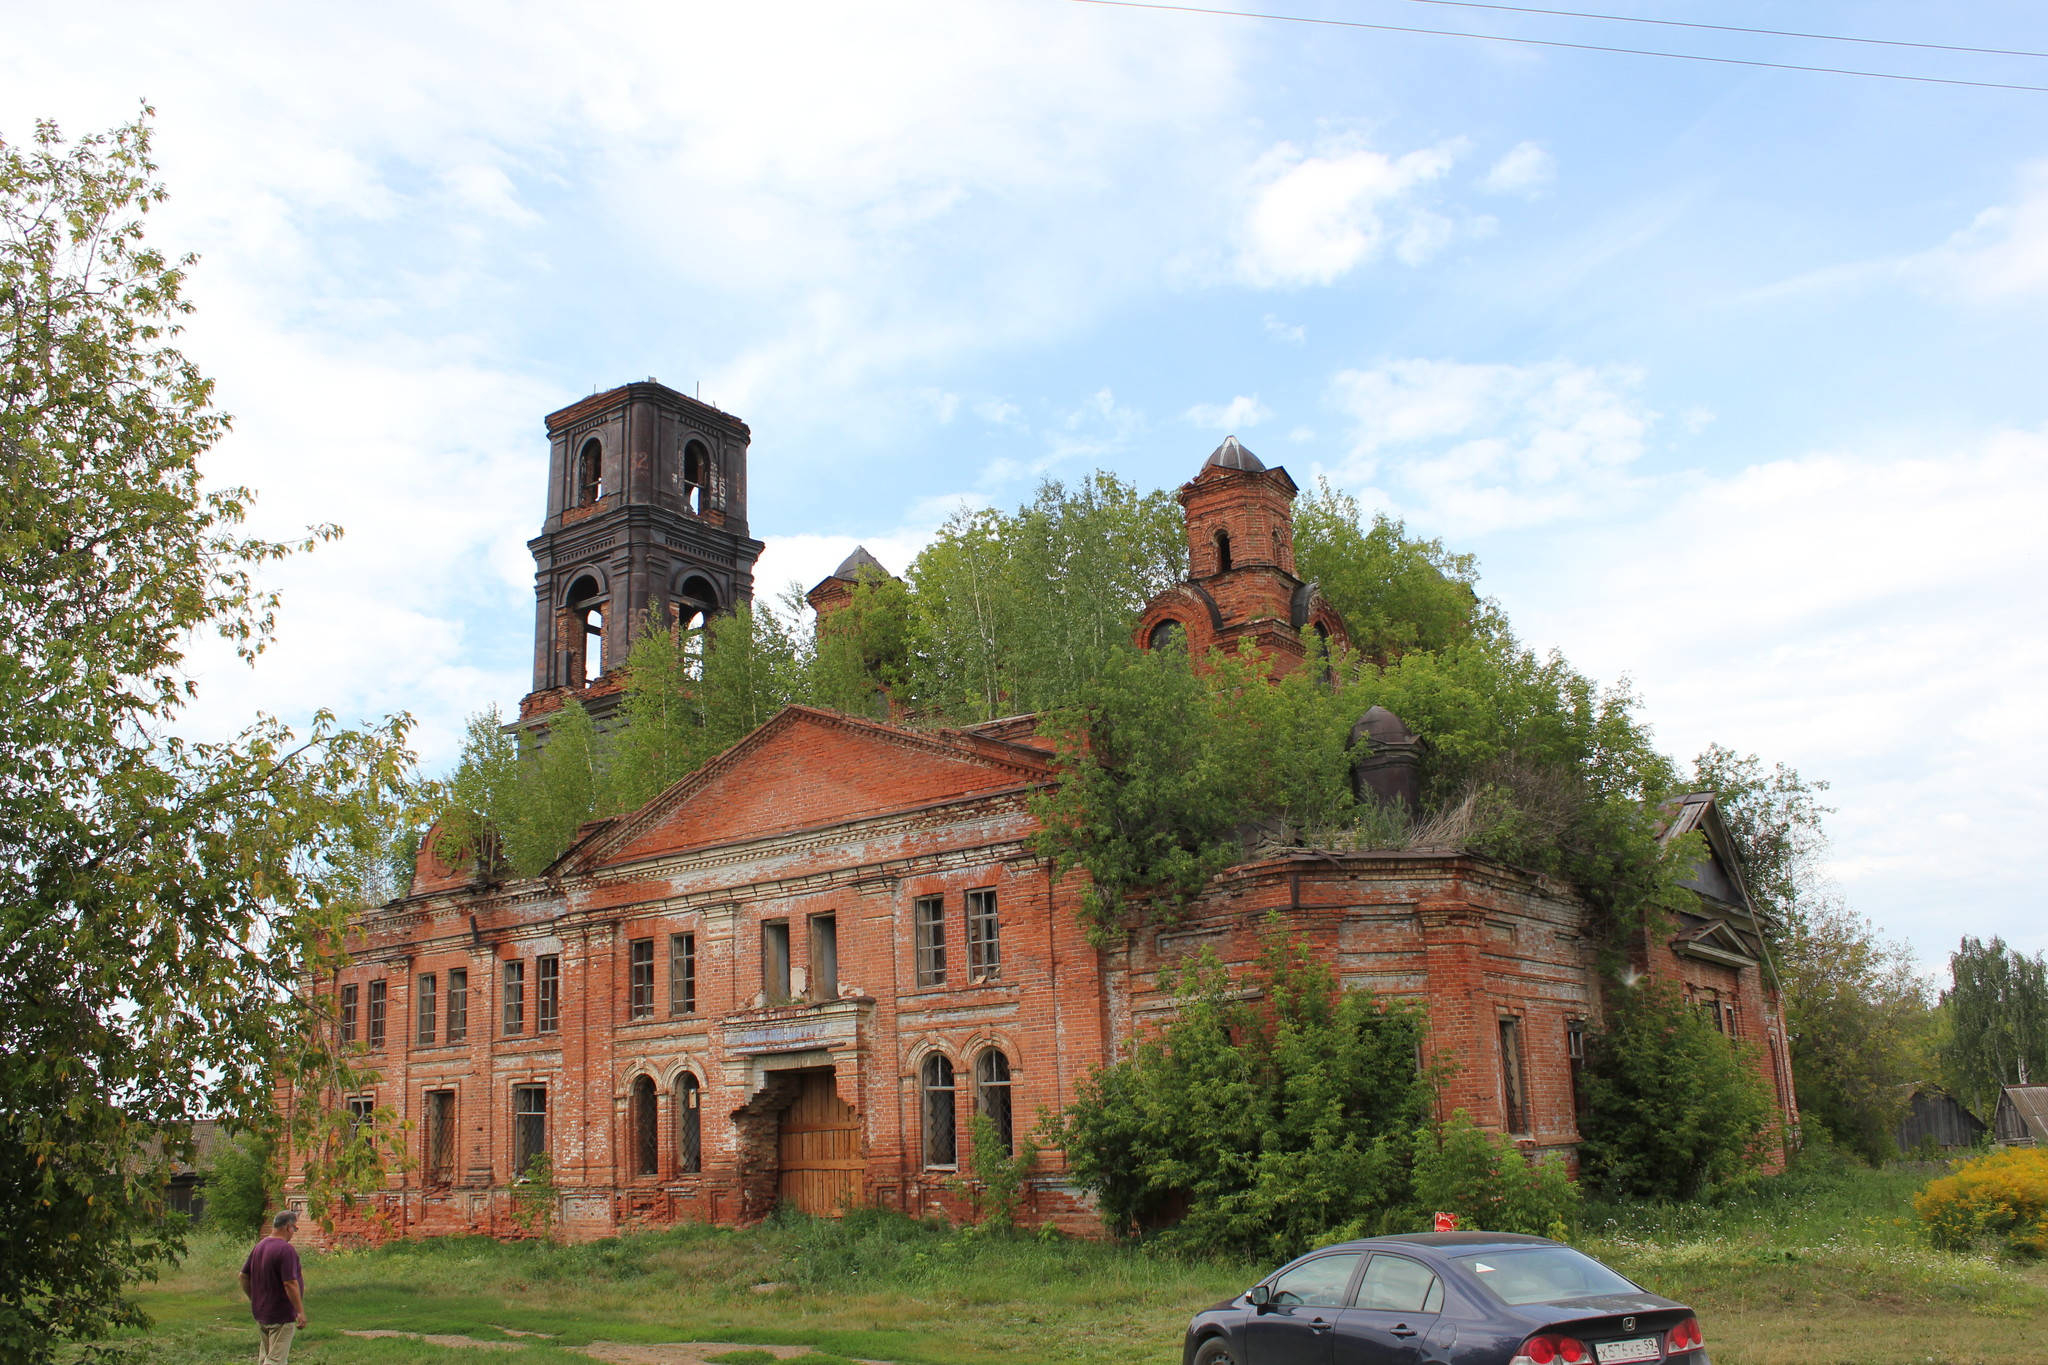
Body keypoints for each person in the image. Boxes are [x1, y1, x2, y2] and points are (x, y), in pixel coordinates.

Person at [238, 1209, 307, 1364]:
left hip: (262, 1312)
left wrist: (254, 1299)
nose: (294, 1232)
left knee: (266, 1357)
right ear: (289, 1227)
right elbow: (289, 1283)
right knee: (276, 1360)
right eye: (295, 1229)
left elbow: (243, 1276)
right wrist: (300, 1311)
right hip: (281, 1315)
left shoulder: (260, 1246)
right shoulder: (285, 1250)